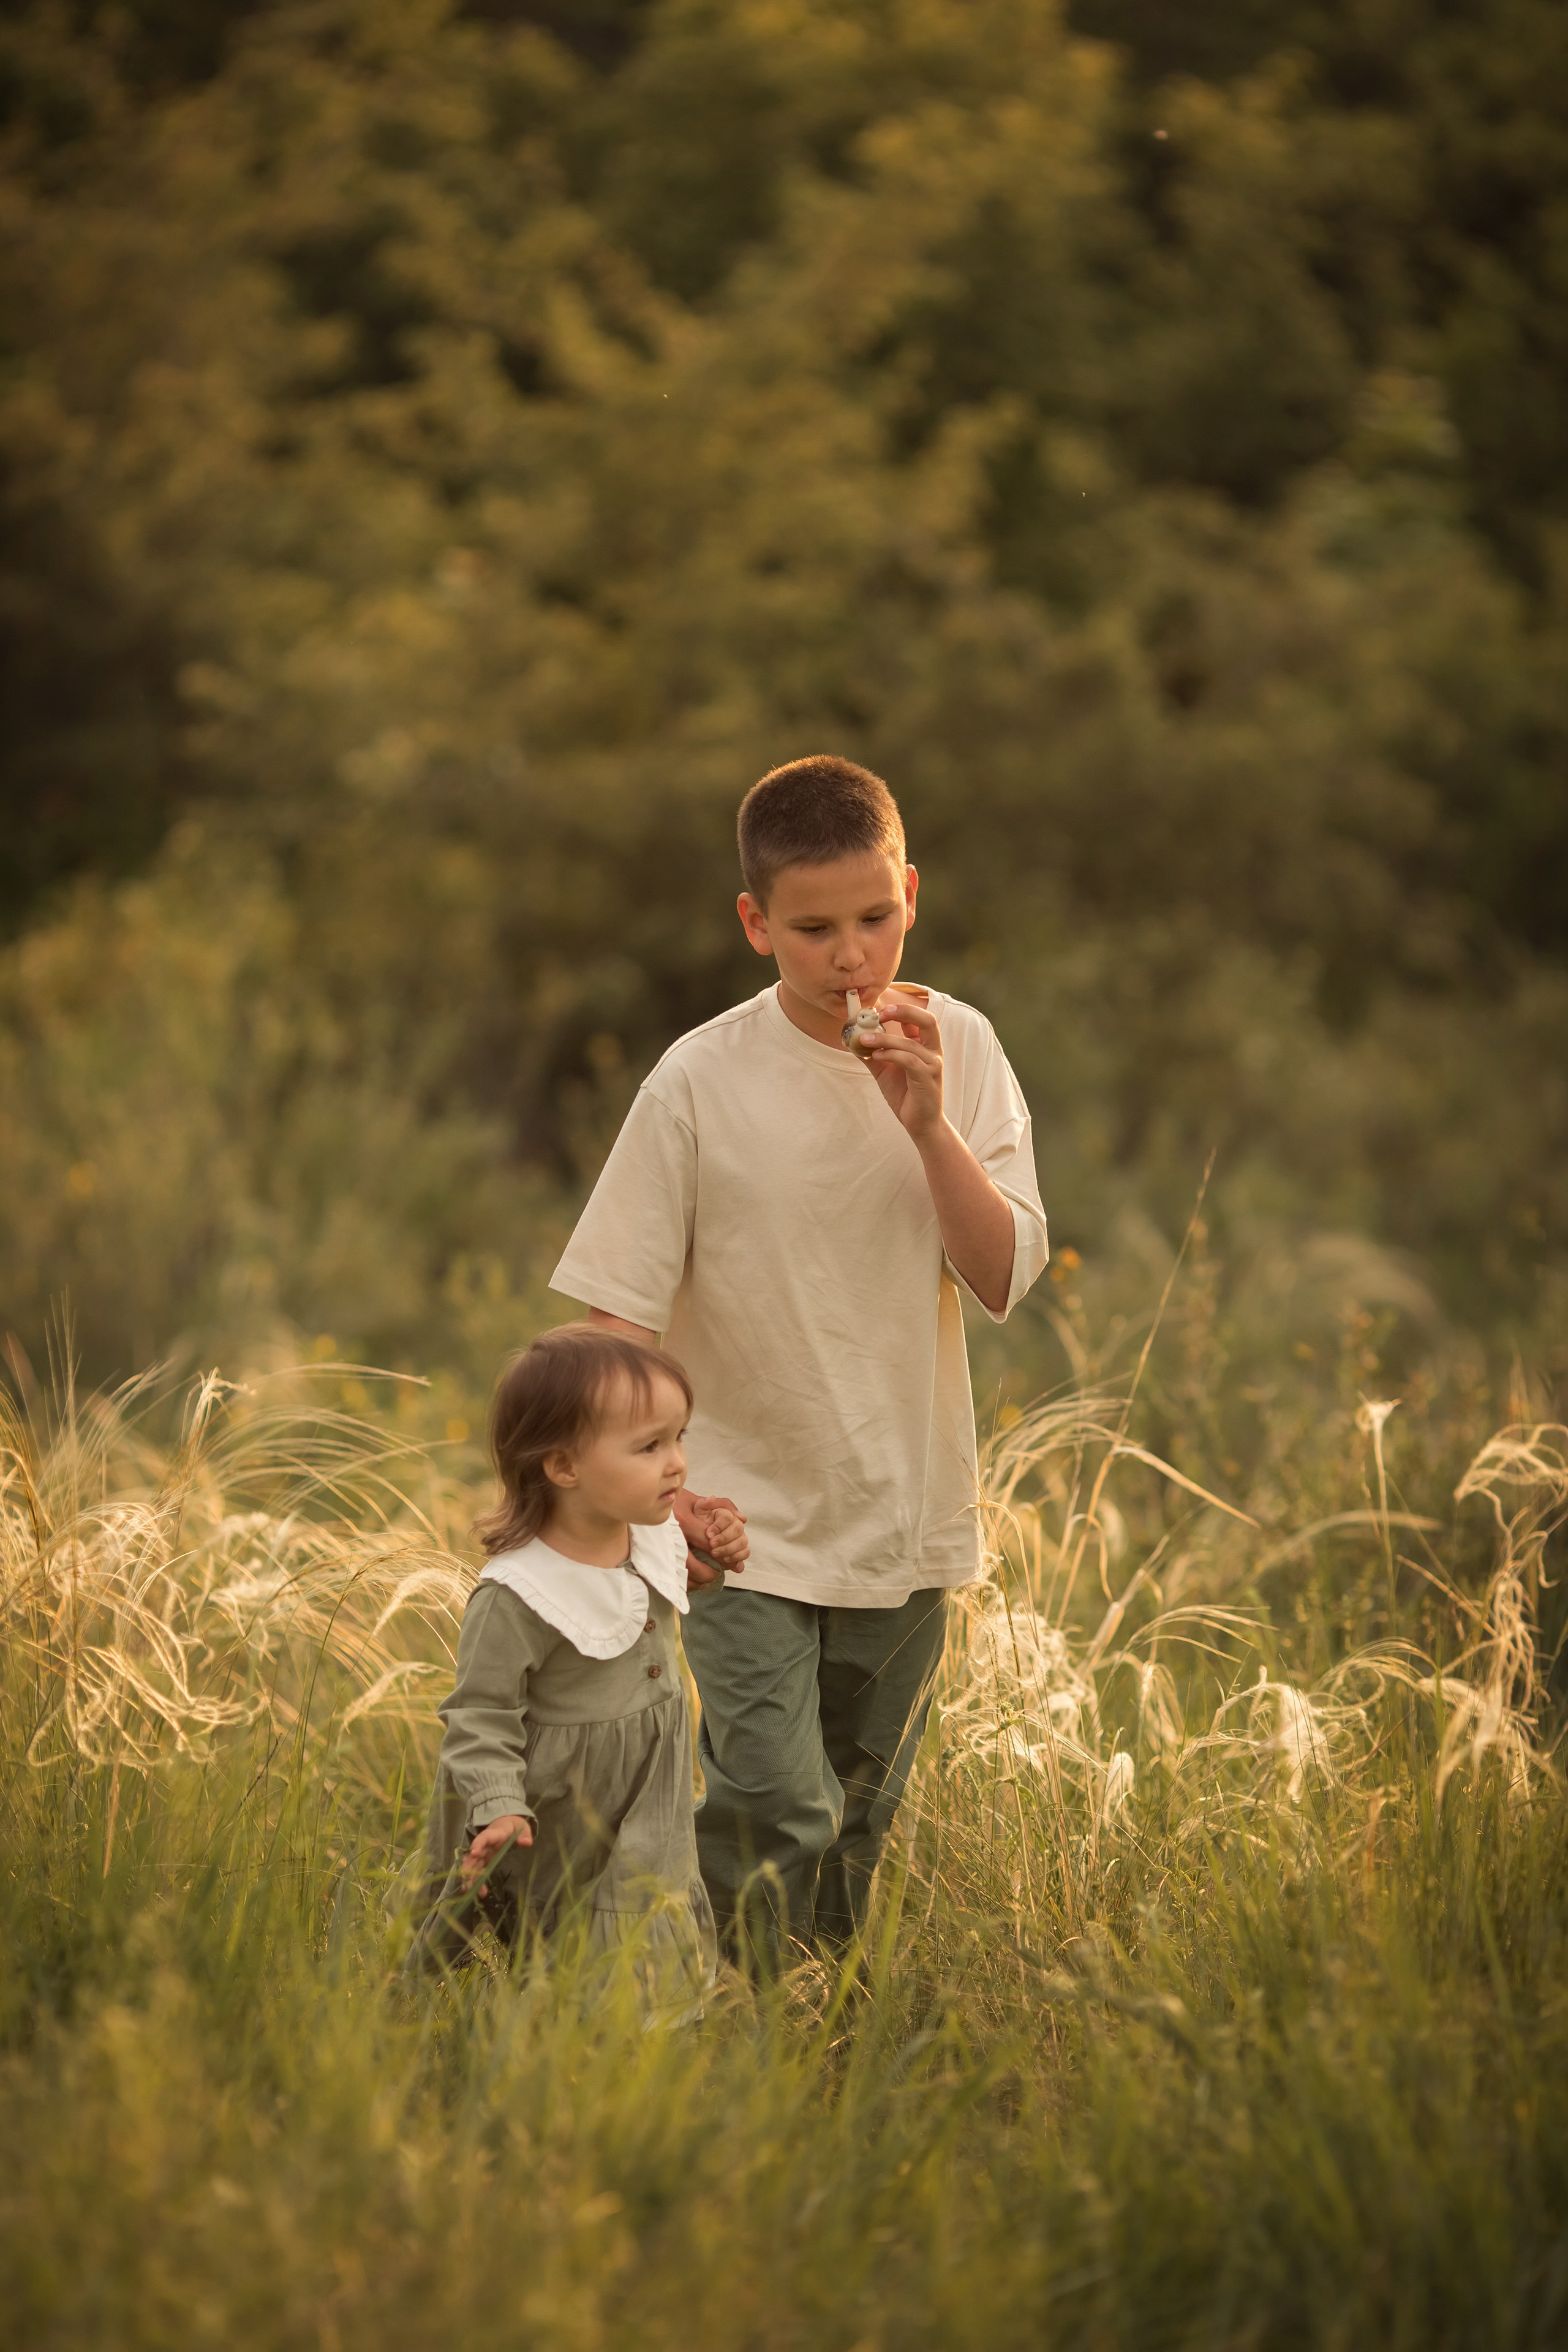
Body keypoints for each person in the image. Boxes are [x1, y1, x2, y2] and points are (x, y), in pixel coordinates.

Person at [549, 755, 1048, 1961]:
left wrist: (925, 1125)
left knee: (856, 1827)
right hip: (739, 1523)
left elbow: (999, 1277)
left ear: (911, 896)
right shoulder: (698, 1081)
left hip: (905, 1518)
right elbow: (614, 1323)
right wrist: (665, 1499)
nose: (850, 958)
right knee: (777, 1799)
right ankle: (756, 1999)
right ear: (754, 923)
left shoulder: (963, 1051)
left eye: (873, 919)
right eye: (813, 929)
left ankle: (798, 2041)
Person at [410, 1324, 749, 2014]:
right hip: (560, 1808)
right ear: (564, 1468)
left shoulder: (647, 1533)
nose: (678, 1464)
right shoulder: (516, 1593)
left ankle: (644, 2044)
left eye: (679, 1438)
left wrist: (721, 1551)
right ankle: (517, 2040)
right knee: (552, 1935)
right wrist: (499, 1805)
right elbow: (479, 1714)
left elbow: (649, 1603)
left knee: (644, 1908)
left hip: (646, 1787)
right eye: (650, 1446)